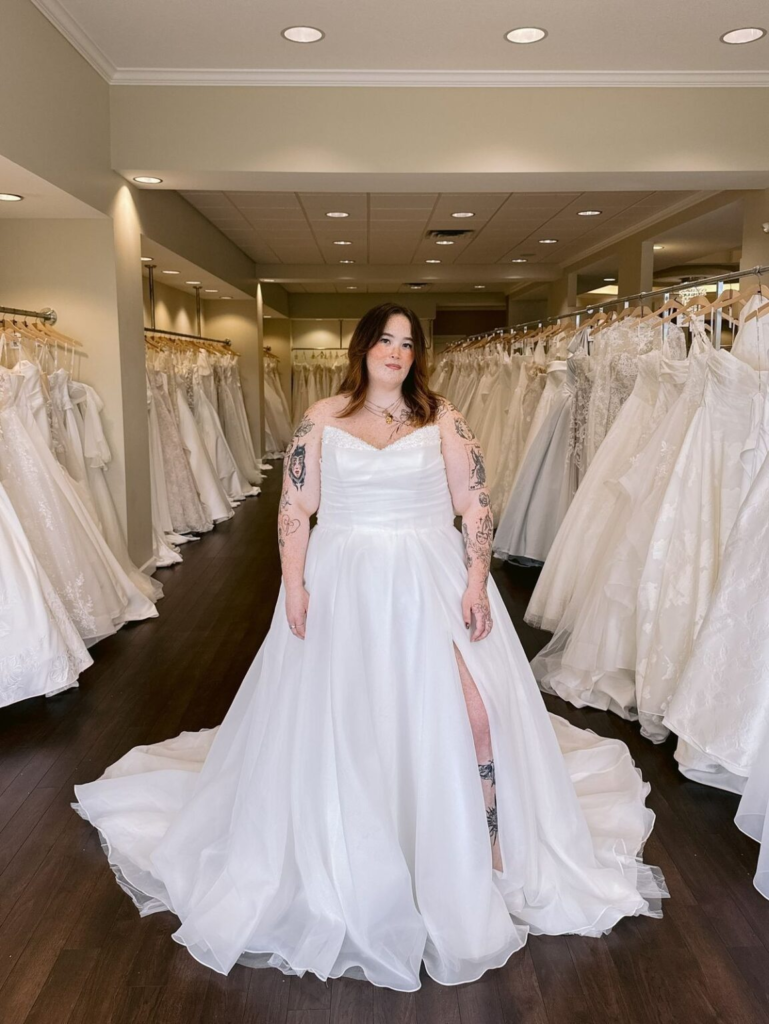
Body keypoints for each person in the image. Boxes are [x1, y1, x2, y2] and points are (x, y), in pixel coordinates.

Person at [73, 303, 666, 993]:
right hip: (344, 579)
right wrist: (293, 585)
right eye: (384, 340)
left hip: (431, 577)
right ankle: (364, 842)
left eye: (407, 343)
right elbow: (296, 507)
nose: (395, 351)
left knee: (474, 714)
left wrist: (476, 581)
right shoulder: (321, 417)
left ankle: (489, 844)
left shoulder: (442, 415)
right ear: (362, 348)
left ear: (418, 354)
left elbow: (474, 504)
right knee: (351, 718)